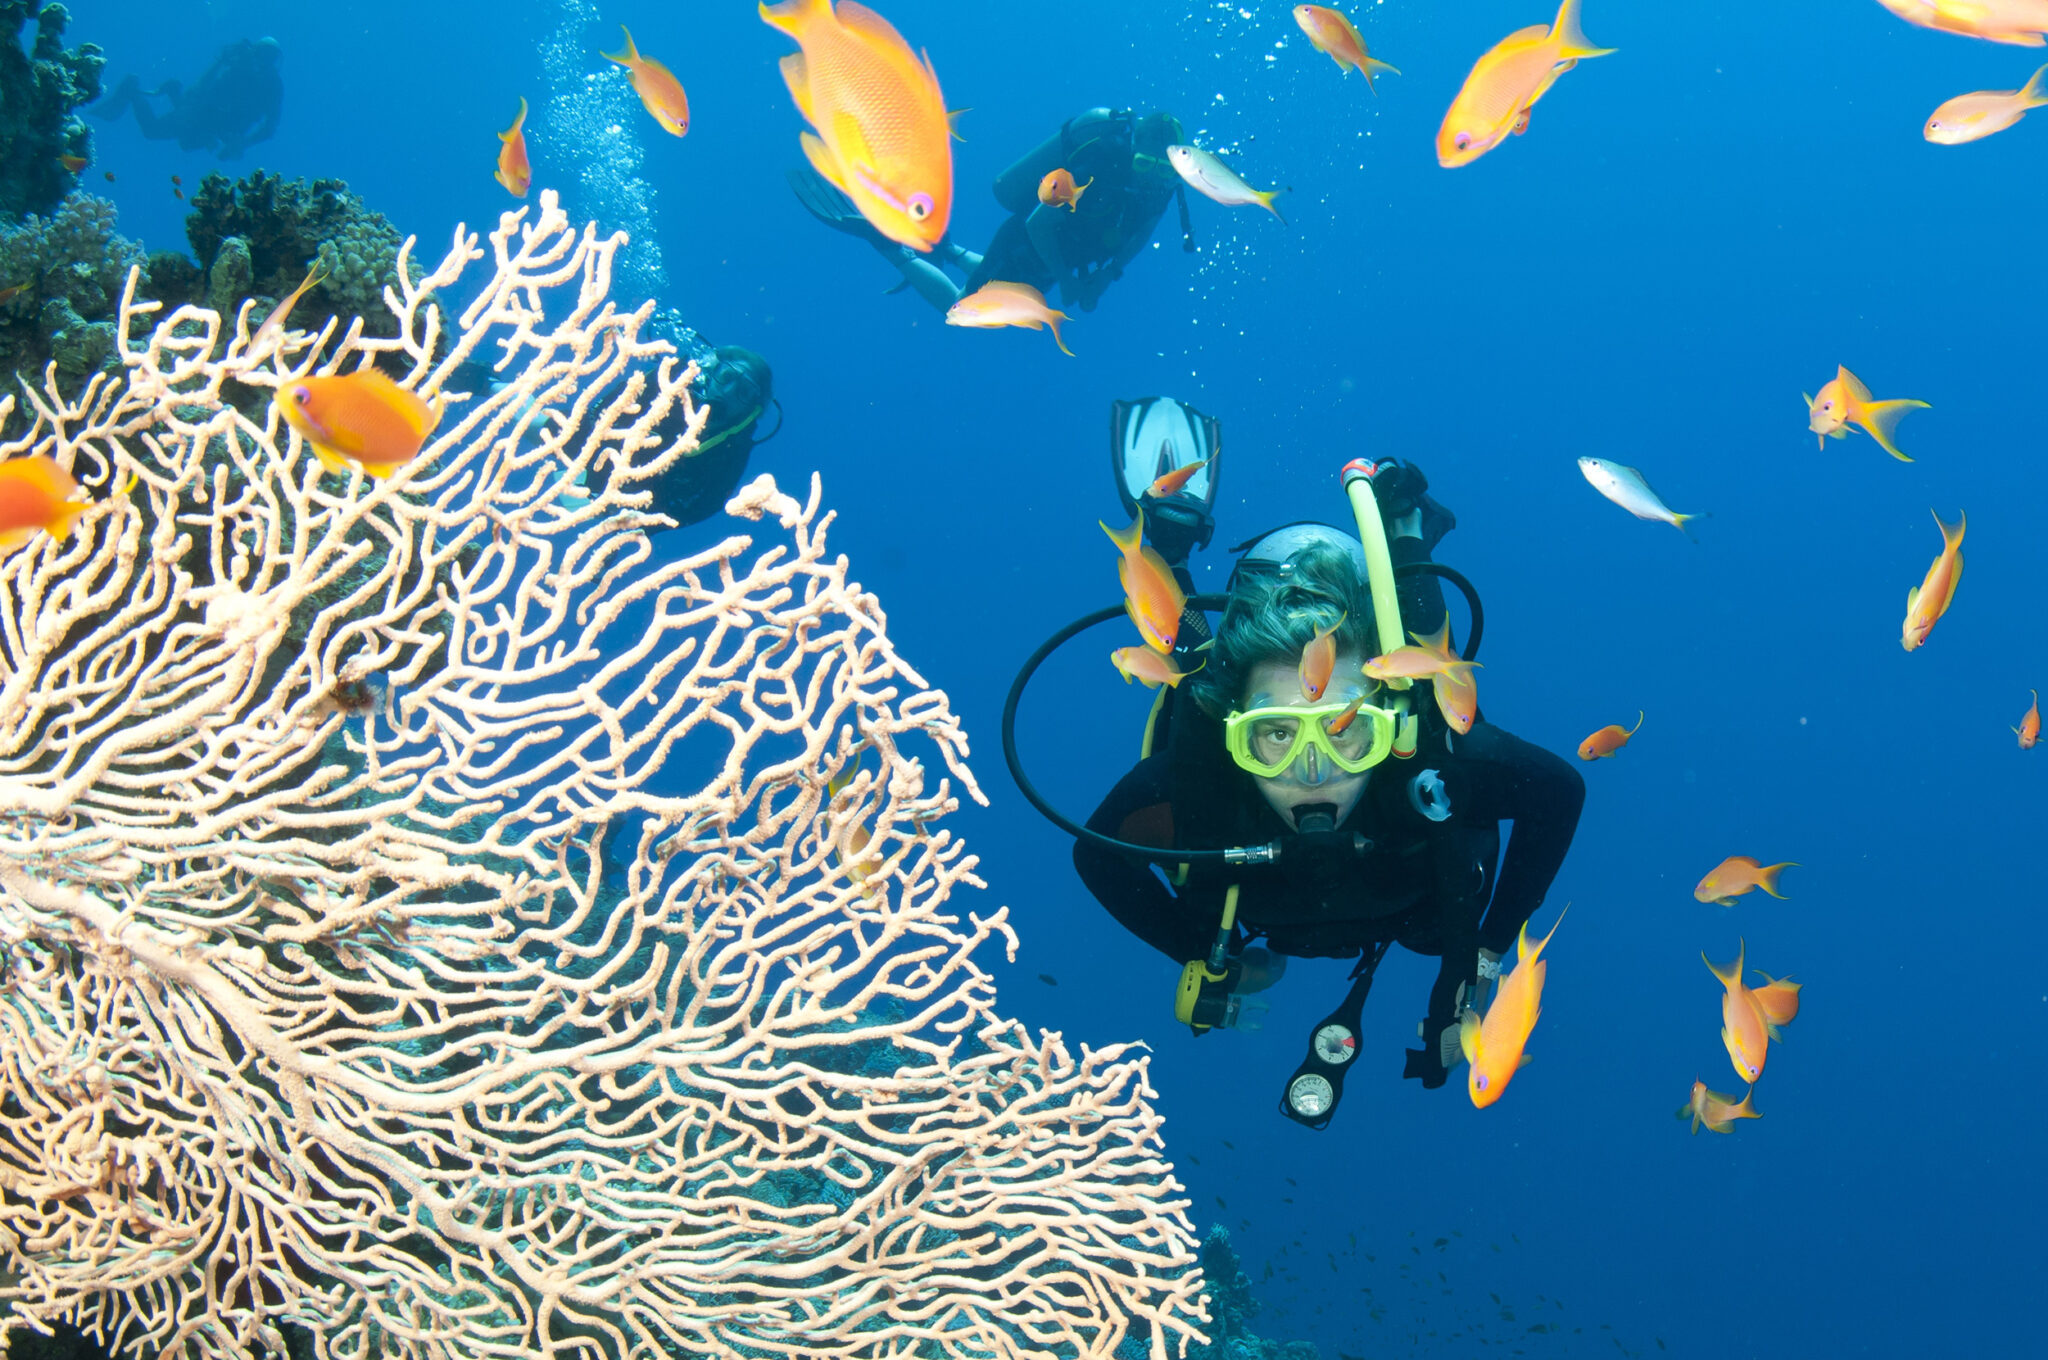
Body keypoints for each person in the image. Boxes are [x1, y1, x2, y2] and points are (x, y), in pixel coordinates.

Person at [1063, 434, 1584, 1128]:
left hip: (1411, 886)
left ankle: (1407, 538)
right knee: (1192, 664)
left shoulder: (1426, 767)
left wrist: (1489, 945)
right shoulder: (1203, 784)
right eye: (1273, 735)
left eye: (1347, 729)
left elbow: (1559, 793)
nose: (1313, 767)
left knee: (1424, 663)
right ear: (1235, 734)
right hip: (1273, 875)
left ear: (1386, 729)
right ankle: (1167, 550)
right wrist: (1191, 949)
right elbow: (1094, 853)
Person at [790, 106, 1192, 316]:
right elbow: (1038, 223)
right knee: (964, 308)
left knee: (1007, 298)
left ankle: (947, 251)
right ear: (1131, 154)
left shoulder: (1160, 191)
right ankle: (890, 245)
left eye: (1162, 171)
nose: (1151, 179)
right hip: (1029, 243)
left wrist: (1107, 276)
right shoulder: (1100, 165)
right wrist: (1068, 281)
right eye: (1144, 165)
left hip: (1062, 256)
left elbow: (1140, 237)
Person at [93, 38, 285, 160]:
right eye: (262, 54)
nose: (263, 61)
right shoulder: (240, 69)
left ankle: (173, 90)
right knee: (152, 131)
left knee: (187, 144)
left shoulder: (272, 85)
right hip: (200, 114)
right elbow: (203, 88)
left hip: (219, 128)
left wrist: (244, 143)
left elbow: (270, 127)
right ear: (254, 52)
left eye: (270, 57)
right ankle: (133, 91)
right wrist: (221, 62)